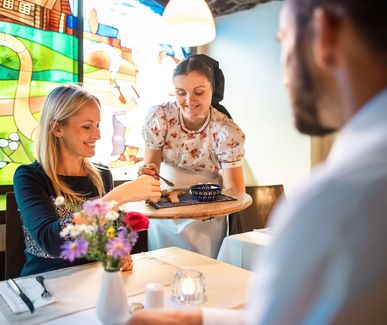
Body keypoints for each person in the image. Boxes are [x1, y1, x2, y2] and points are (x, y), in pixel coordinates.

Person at [126, 0, 387, 323]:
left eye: (283, 42)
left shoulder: (336, 201)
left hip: (208, 211)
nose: (284, 79)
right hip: (167, 205)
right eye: (181, 93)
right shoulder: (360, 178)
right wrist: (201, 319)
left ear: (325, 35)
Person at [14, 84, 161, 276]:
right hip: (45, 285)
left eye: (98, 125)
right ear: (57, 128)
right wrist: (118, 196)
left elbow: (110, 234)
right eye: (87, 126)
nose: (98, 135)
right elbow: (51, 241)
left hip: (93, 279)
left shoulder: (102, 175)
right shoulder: (29, 177)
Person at [140, 54, 246, 258]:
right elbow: (151, 172)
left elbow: (235, 191)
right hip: (165, 210)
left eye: (198, 92)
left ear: (211, 90)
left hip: (207, 215)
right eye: (181, 92)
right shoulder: (160, 117)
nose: (189, 101)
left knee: (204, 274)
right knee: (163, 269)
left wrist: (201, 208)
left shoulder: (225, 131)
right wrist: (148, 175)